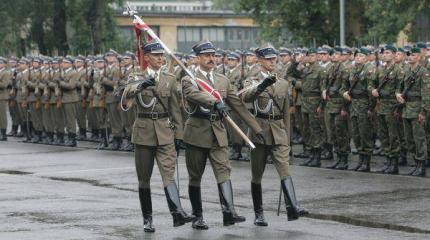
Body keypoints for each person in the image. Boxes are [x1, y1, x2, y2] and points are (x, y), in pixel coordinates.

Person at [181, 40, 263, 229]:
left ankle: (229, 213)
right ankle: (197, 216)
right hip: (197, 133)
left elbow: (239, 106)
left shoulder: (222, 80)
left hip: (218, 133)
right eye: (207, 56)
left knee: (223, 172)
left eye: (213, 55)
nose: (211, 59)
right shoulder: (189, 79)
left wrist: (256, 129)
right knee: (195, 176)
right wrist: (214, 101)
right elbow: (193, 95)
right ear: (198, 58)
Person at [125, 42, 193, 232]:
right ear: (146, 57)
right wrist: (140, 86)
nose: (161, 59)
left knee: (168, 175)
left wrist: (179, 134)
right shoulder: (135, 76)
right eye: (156, 55)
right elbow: (126, 95)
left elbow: (175, 110)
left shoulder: (170, 79)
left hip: (165, 132)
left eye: (162, 55)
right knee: (144, 178)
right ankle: (147, 219)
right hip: (143, 132)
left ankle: (177, 213)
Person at [240, 44, 308, 226]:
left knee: (284, 168)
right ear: (260, 61)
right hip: (259, 131)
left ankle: (293, 206)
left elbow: (286, 112)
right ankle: (259, 214)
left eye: (274, 59)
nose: (273, 62)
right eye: (268, 59)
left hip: (278, 131)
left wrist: (287, 136)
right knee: (257, 174)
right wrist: (262, 85)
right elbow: (246, 97)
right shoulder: (252, 79)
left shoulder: (283, 82)